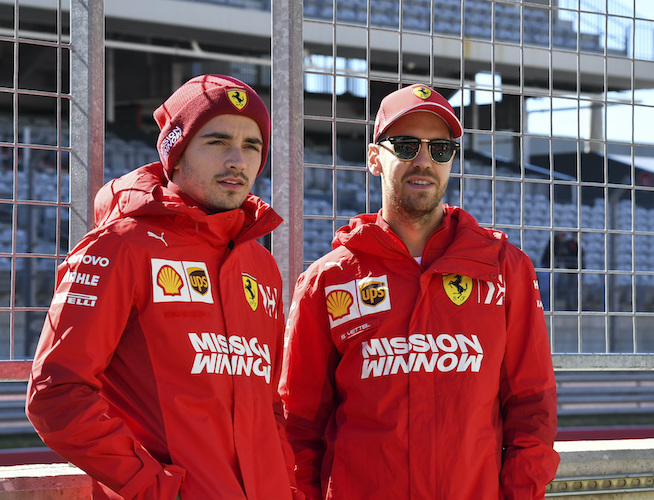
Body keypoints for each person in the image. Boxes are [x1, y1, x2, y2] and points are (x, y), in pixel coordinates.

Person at [26, 74, 303, 500]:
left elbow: (270, 409)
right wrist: (157, 489)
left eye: (252, 146)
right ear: (175, 151)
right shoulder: (121, 245)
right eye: (217, 141)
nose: (238, 160)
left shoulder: (260, 264)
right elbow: (56, 392)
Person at [280, 83, 559, 499]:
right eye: (407, 145)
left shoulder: (505, 268)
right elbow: (298, 425)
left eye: (440, 150)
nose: (424, 161)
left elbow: (532, 406)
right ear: (375, 158)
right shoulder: (327, 280)